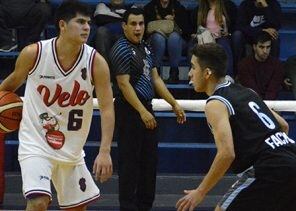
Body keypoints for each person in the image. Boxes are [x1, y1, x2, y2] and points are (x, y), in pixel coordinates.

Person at [0, 1, 115, 210]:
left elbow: (107, 108)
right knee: (38, 202)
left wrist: (105, 151)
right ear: (62, 25)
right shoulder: (33, 54)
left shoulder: (96, 62)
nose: (87, 27)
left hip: (72, 149)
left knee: (77, 208)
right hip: (36, 143)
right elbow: (7, 87)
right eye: (80, 22)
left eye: (88, 23)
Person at [176, 43, 296, 211]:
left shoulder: (216, 103)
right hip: (293, 158)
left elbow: (227, 153)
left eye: (193, 67)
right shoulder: (247, 91)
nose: (190, 73)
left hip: (268, 167)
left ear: (207, 73)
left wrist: (200, 191)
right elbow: (283, 125)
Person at [110, 7, 186, 210]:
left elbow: (155, 78)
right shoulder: (121, 48)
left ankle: (145, 207)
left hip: (146, 109)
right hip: (129, 110)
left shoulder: (145, 47)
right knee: (130, 167)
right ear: (124, 26)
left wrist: (174, 103)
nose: (138, 28)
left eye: (141, 24)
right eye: (133, 24)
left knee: (148, 165)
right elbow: (124, 84)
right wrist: (142, 112)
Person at [144, 0, 191, 83]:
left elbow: (187, 31)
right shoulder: (149, 7)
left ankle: (174, 73)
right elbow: (145, 32)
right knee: (158, 38)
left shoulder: (178, 7)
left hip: (176, 45)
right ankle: (156, 73)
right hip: (156, 43)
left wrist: (175, 20)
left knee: (174, 37)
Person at [190, 0, 236, 77]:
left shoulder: (228, 6)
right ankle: (194, 76)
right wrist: (195, 34)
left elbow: (235, 25)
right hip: (204, 37)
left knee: (224, 45)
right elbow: (192, 27)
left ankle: (227, 76)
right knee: (192, 46)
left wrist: (228, 32)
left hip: (221, 37)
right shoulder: (199, 9)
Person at [232, 0, 281, 72]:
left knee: (275, 37)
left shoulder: (274, 4)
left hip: (265, 37)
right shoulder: (245, 4)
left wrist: (266, 7)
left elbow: (276, 25)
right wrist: (262, 30)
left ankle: (273, 71)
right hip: (249, 36)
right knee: (237, 35)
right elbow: (240, 26)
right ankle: (238, 71)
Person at [237, 31, 284, 100]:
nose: (265, 51)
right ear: (254, 47)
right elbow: (251, 90)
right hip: (251, 103)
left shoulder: (277, 65)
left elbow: (273, 90)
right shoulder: (244, 65)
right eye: (261, 47)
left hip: (271, 103)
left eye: (268, 47)